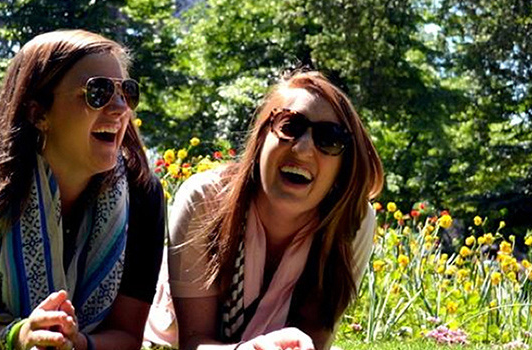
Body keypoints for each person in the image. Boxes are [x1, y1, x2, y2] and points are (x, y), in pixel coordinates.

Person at [0, 29, 165, 350]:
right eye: (97, 92)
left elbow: (127, 337)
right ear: (38, 113)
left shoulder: (142, 194)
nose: (119, 108)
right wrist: (22, 335)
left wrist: (78, 343)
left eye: (126, 92)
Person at [146, 70, 383, 350]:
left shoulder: (352, 222)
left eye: (329, 139)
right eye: (290, 126)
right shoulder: (203, 198)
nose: (304, 148)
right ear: (261, 138)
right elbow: (193, 342)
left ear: (343, 169)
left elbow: (315, 341)